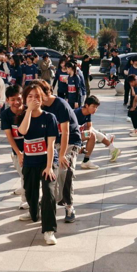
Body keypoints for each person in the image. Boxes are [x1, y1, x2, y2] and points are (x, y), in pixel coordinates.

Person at [18, 82, 59, 245]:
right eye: (30, 96)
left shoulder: (49, 118)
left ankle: (49, 230)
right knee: (30, 193)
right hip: (30, 162)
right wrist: (28, 111)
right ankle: (33, 212)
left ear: (42, 99)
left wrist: (49, 167)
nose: (33, 99)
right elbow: (23, 131)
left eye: (37, 96)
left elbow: (50, 144)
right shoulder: (23, 116)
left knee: (48, 193)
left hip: (47, 161)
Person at [38, 79, 83, 224]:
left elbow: (66, 132)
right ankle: (46, 200)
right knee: (47, 171)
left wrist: (62, 155)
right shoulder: (39, 106)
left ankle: (69, 206)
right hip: (53, 142)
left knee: (65, 170)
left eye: (38, 96)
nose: (35, 99)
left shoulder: (60, 105)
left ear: (46, 93)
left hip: (70, 142)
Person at [0, 85, 28, 207]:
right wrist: (19, 153)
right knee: (23, 174)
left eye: (19, 99)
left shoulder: (29, 111)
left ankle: (26, 199)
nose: (16, 102)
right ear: (7, 100)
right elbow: (9, 136)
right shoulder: (5, 115)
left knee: (27, 176)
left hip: (32, 150)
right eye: (12, 99)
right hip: (17, 151)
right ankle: (26, 192)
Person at [76, 96, 120, 170]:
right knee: (92, 134)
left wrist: (88, 132)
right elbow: (69, 131)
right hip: (71, 136)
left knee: (92, 133)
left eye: (96, 107)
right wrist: (80, 144)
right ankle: (110, 143)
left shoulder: (88, 112)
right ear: (86, 105)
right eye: (93, 106)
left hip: (80, 133)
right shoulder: (77, 114)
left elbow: (89, 125)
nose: (95, 109)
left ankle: (86, 160)